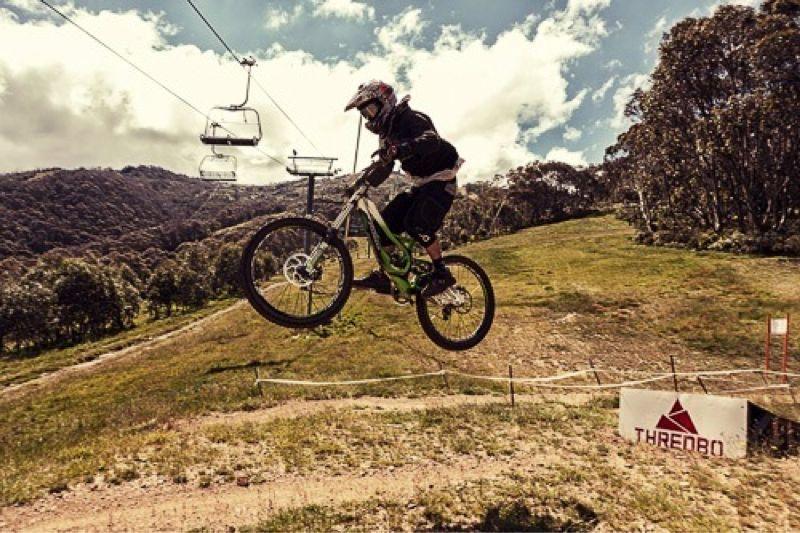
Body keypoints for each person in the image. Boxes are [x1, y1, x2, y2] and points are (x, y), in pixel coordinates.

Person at [344, 80, 463, 298]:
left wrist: (402, 148)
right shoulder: (386, 135)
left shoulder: (411, 118)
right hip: (420, 183)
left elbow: (431, 141)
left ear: (385, 102)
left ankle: (441, 272)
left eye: (371, 109)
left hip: (442, 180)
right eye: (365, 114)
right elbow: (385, 166)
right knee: (383, 226)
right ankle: (386, 275)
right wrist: (362, 183)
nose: (369, 116)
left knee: (417, 224)